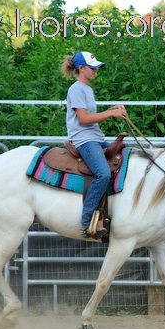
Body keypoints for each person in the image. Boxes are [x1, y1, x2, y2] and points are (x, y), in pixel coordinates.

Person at [62, 51, 127, 238]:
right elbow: (83, 119)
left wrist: (110, 110)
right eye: (92, 68)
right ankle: (86, 220)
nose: (95, 71)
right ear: (81, 68)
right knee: (103, 173)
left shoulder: (87, 89)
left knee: (127, 153)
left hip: (95, 137)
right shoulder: (76, 89)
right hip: (84, 139)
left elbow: (91, 116)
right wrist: (111, 114)